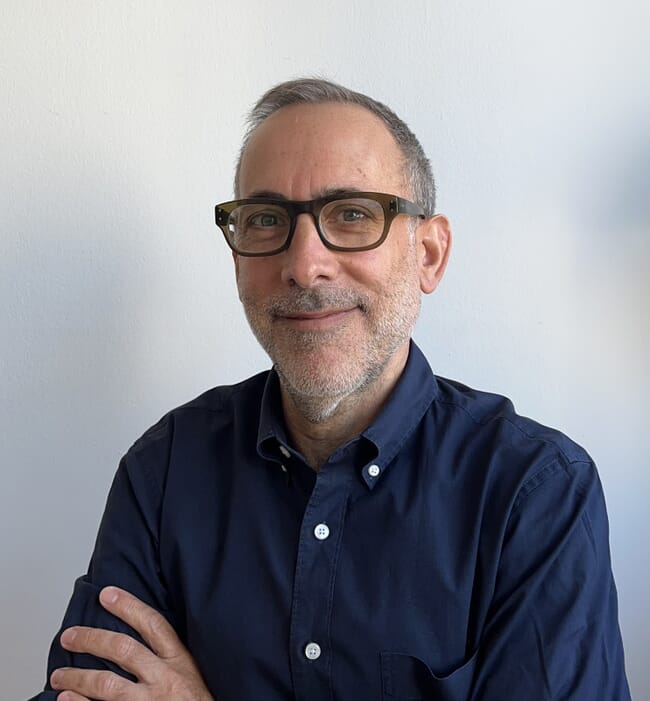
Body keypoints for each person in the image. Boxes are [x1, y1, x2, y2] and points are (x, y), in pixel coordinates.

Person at [31, 78, 630, 701]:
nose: (304, 264)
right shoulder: (165, 469)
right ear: (237, 258)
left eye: (351, 215)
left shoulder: (533, 494)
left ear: (428, 253)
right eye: (265, 220)